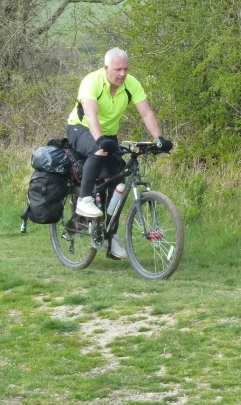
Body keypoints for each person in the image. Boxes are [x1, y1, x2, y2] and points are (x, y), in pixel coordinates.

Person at [66, 47, 173, 259]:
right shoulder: (92, 81)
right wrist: (99, 141)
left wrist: (159, 139)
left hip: (108, 135)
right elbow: (90, 114)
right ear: (106, 68)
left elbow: (146, 112)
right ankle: (84, 200)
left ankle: (109, 235)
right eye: (118, 69)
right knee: (98, 151)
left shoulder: (131, 84)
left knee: (118, 181)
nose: (122, 74)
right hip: (82, 129)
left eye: (125, 69)